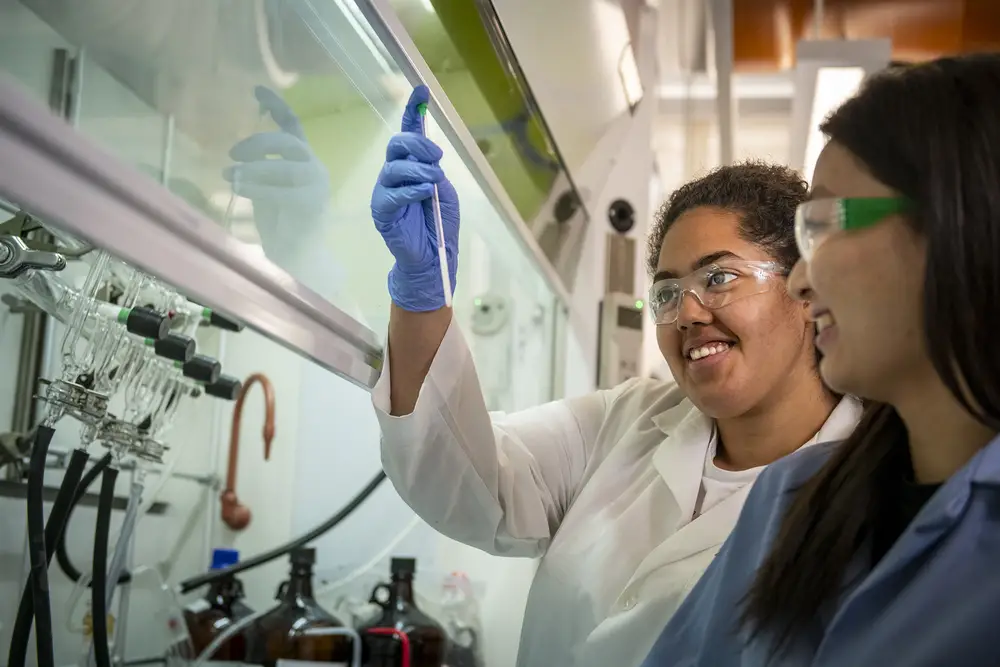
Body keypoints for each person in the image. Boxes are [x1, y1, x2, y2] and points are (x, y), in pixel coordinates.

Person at [368, 85, 861, 667]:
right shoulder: (624, 420)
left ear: (806, 288)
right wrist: (424, 296)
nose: (689, 313)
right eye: (668, 292)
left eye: (720, 278)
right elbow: (467, 486)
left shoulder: (870, 483)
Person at [641, 54, 1000, 667]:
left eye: (825, 225)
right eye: (669, 293)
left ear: (958, 224)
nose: (801, 283)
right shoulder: (792, 498)